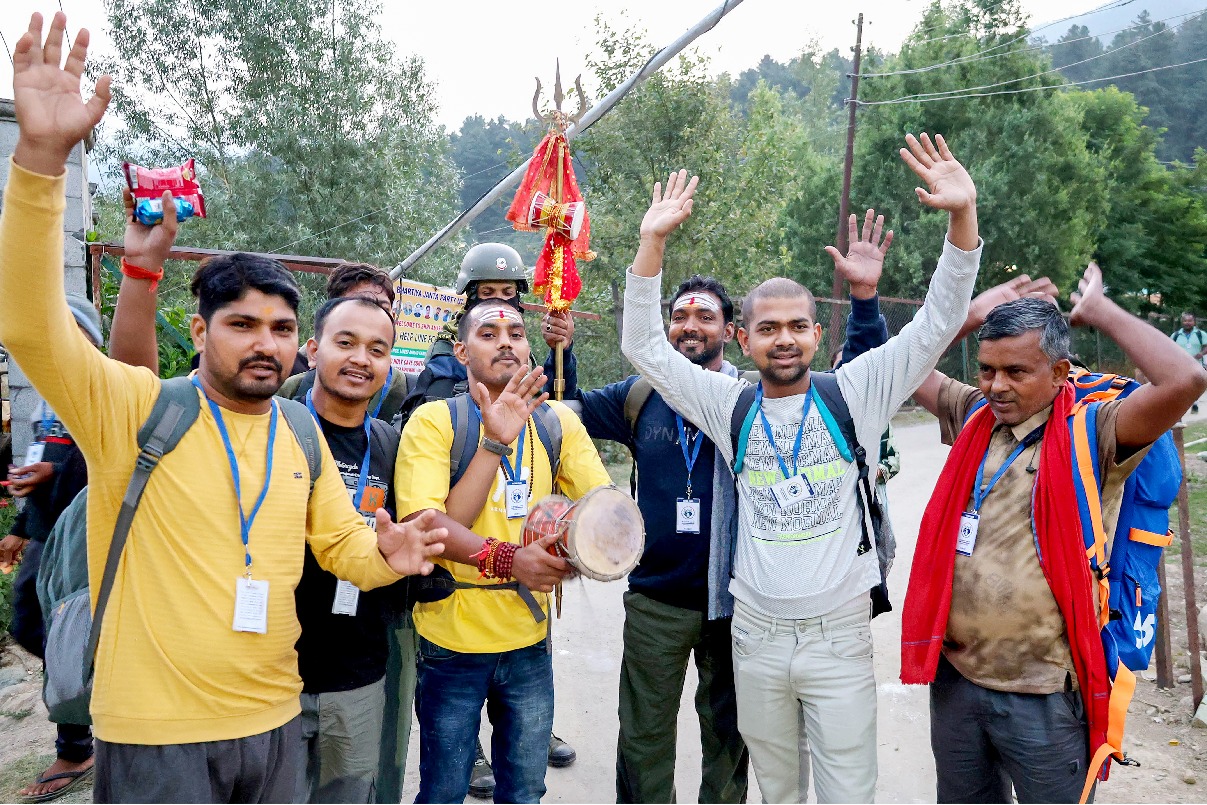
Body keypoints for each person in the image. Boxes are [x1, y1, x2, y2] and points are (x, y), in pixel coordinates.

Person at [0, 14, 446, 801]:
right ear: (200, 329)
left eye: (280, 327)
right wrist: (39, 159)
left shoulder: (301, 428)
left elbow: (343, 542)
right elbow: (30, 326)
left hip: (272, 721)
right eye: (241, 324)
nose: (264, 343)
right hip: (154, 731)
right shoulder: (137, 409)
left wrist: (392, 553)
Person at [620, 132, 982, 803]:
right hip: (754, 635)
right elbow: (641, 343)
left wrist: (962, 219)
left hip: (836, 635)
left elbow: (938, 319)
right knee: (777, 790)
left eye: (795, 325)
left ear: (817, 332)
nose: (782, 337)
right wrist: (652, 244)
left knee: (848, 791)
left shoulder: (857, 391)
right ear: (743, 338)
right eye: (767, 327)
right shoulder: (724, 403)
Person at [545, 265, 890, 803]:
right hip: (655, 599)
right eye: (679, 316)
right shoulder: (640, 394)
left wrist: (866, 302)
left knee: (730, 739)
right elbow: (568, 414)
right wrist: (557, 356)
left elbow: (861, 374)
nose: (689, 326)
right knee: (642, 736)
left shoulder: (753, 400)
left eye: (705, 316)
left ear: (733, 332)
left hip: (733, 604)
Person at [904, 267, 1207, 804]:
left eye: (1016, 371)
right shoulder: (974, 413)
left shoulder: (1097, 431)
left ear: (1059, 371)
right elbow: (901, 366)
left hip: (1044, 693)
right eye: (987, 369)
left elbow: (1186, 381)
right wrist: (968, 316)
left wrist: (1100, 311)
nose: (997, 386)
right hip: (958, 679)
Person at [395, 300, 613, 804]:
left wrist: (572, 558)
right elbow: (426, 526)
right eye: (489, 333)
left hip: (529, 638)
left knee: (525, 791)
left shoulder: (557, 423)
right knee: (444, 790)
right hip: (451, 639)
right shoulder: (434, 421)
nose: (506, 342)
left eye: (516, 332)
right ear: (462, 351)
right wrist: (494, 444)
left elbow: (599, 515)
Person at [0, 298, 103, 803]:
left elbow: (111, 465)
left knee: (61, 632)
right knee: (33, 626)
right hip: (48, 532)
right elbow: (42, 460)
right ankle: (88, 710)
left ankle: (78, 742)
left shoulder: (100, 387)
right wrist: (21, 524)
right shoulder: (48, 397)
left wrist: (54, 474)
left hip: (84, 537)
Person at [277, 262, 410, 423]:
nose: (370, 315)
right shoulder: (286, 382)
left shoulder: (408, 391)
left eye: (381, 308)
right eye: (358, 304)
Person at [1171, 311, 1207, 413]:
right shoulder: (1176, 335)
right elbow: (1169, 348)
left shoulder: (1200, 334)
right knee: (1182, 385)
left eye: (1190, 320)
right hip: (1180, 366)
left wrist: (1201, 353)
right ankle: (1182, 406)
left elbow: (1206, 346)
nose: (1188, 323)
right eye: (1185, 320)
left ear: (1194, 322)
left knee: (1196, 385)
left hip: (1197, 365)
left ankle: (1195, 403)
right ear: (1182, 322)